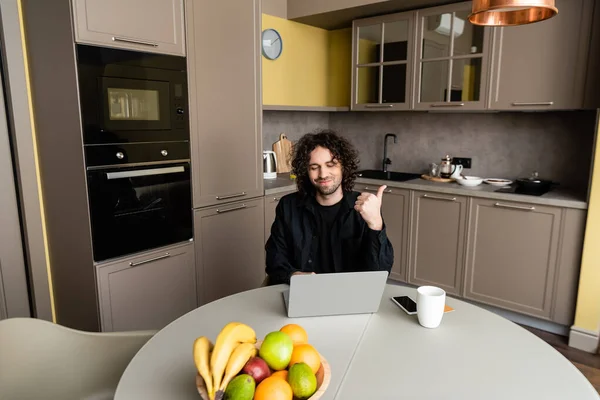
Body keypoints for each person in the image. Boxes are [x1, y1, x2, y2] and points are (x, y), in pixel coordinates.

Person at [265, 129, 394, 285]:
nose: (323, 174)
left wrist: (375, 224)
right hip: (303, 292)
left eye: (330, 165)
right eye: (314, 167)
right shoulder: (288, 206)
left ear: (343, 167)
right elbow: (274, 260)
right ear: (305, 171)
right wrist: (293, 275)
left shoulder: (364, 208)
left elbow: (380, 274)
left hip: (350, 295)